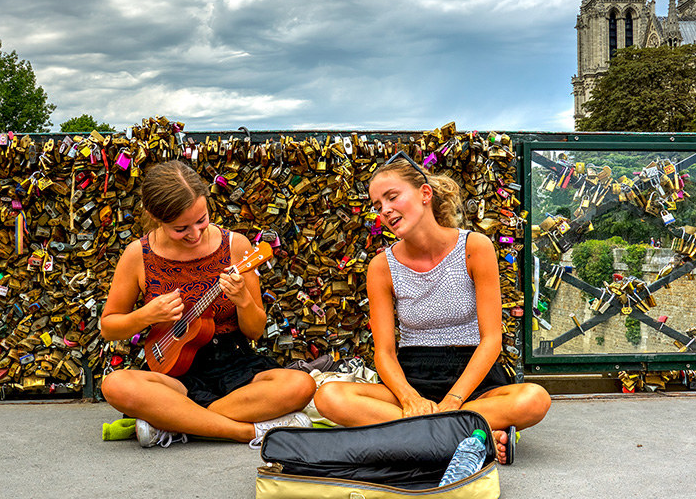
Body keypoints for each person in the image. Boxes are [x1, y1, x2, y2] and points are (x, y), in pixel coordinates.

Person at [313, 153, 550, 463]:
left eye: (392, 197)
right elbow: (384, 352)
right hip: (413, 376)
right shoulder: (381, 267)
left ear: (425, 194)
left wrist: (454, 399)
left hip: (474, 378)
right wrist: (410, 397)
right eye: (377, 206)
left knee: (535, 399)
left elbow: (492, 338)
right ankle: (467, 434)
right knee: (329, 397)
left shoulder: (475, 247)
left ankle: (419, 435)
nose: (385, 210)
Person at [100, 160, 316, 448]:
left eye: (201, 220)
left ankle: (176, 421)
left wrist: (243, 301)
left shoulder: (235, 246)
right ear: (155, 217)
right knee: (115, 385)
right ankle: (247, 432)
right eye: (181, 228)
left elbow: (255, 330)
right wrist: (146, 315)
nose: (195, 234)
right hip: (174, 374)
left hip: (237, 367)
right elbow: (109, 327)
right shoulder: (137, 255)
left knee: (301, 385)